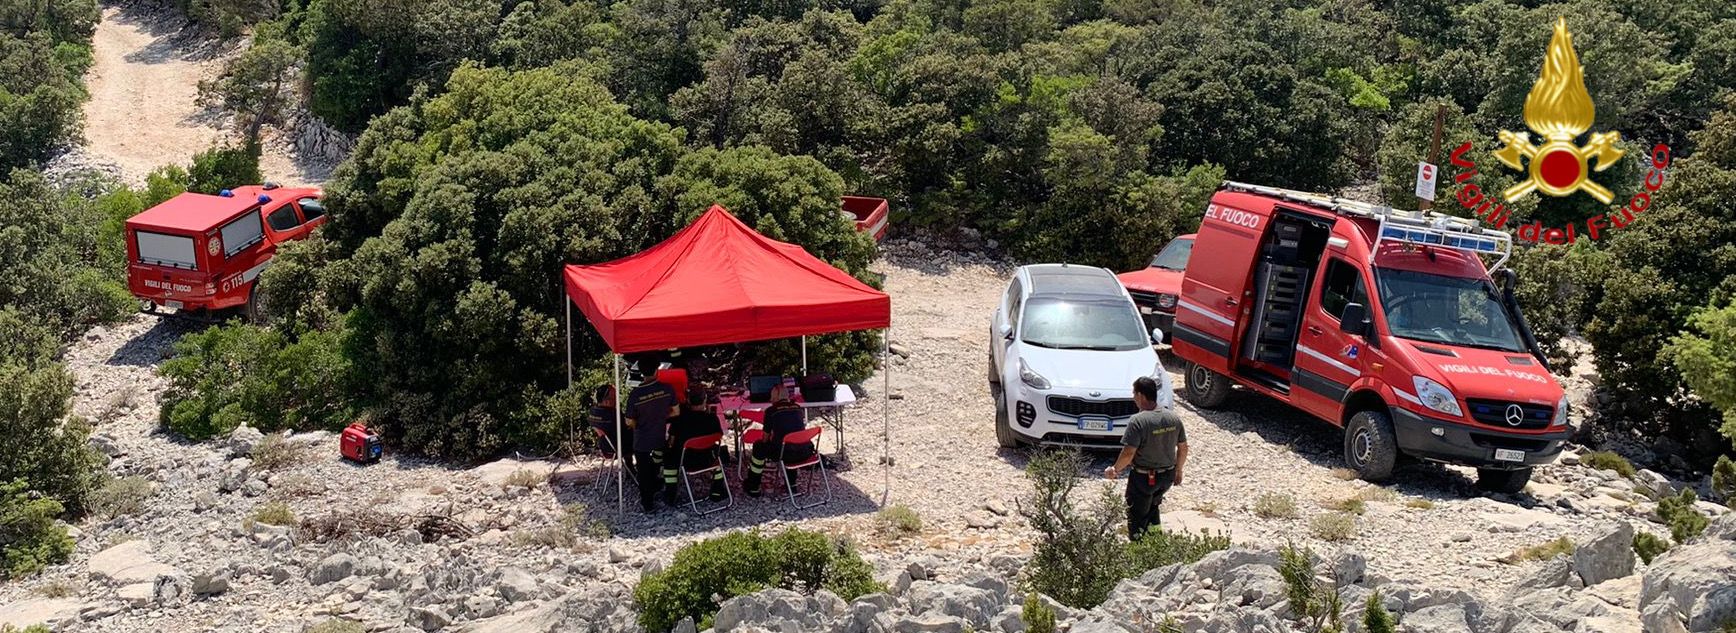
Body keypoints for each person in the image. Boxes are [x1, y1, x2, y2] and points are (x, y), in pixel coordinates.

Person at [1104, 376, 1189, 540]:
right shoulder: (1173, 418)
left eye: (1134, 393)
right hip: (1167, 477)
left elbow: (1128, 453)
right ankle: (1155, 544)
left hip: (1144, 478)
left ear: (1141, 395)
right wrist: (1179, 470)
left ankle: (1138, 553)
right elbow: (1183, 448)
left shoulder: (1138, 421)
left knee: (1136, 516)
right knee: (1153, 508)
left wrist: (1115, 469)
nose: (1133, 397)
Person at [743, 383, 813, 497]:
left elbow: (765, 439)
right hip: (805, 452)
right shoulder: (798, 408)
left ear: (774, 397)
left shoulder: (771, 411)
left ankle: (753, 486)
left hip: (785, 454)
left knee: (759, 446)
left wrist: (773, 438)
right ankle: (792, 484)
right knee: (789, 444)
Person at [625, 371, 680, 512]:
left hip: (641, 439)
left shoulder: (635, 394)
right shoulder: (667, 389)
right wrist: (661, 416)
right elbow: (676, 412)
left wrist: (640, 422)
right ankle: (659, 487)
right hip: (659, 436)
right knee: (659, 460)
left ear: (641, 373)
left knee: (642, 472)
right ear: (656, 370)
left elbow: (629, 421)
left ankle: (648, 503)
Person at [665, 387, 728, 502]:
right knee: (718, 455)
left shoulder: (679, 419)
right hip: (708, 459)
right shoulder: (712, 419)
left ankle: (670, 494)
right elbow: (719, 436)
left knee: (669, 457)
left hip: (685, 461)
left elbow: (671, 442)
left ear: (688, 401)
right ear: (705, 400)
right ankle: (717, 491)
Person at [587, 385, 633, 472]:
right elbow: (626, 426)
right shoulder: (612, 414)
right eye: (613, 398)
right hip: (618, 447)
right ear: (606, 400)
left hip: (604, 448)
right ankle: (638, 471)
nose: (616, 401)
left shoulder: (593, 411)